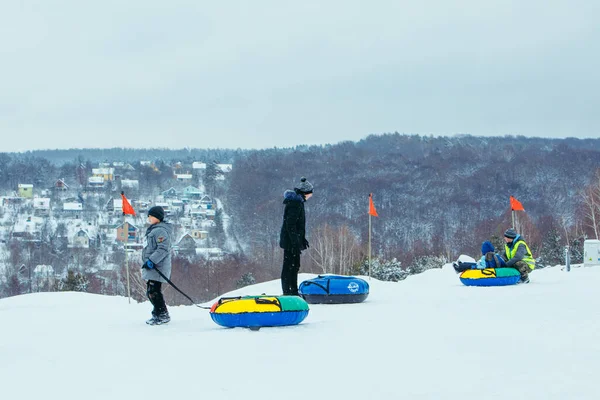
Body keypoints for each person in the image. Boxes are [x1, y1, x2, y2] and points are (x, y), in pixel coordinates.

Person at [279, 177, 313, 295]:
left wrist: (302, 239)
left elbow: (298, 226)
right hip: (290, 243)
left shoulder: (299, 202)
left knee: (295, 266)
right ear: (305, 193)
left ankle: (293, 290)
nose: (311, 196)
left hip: (293, 241)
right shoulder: (295, 203)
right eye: (310, 193)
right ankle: (288, 291)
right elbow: (290, 225)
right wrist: (295, 242)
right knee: (289, 266)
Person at [141, 206, 173, 325]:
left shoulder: (160, 231)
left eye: (151, 216)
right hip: (153, 266)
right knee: (151, 291)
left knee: (153, 291)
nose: (149, 218)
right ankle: (158, 314)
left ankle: (162, 314)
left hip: (157, 266)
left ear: (157, 217)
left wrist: (152, 261)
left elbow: (163, 249)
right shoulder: (154, 229)